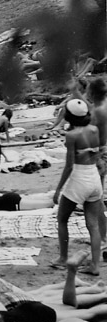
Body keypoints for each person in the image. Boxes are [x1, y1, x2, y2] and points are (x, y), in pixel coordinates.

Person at [52, 99, 105, 275]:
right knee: (93, 225)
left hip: (79, 178)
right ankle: (95, 265)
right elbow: (97, 153)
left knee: (62, 219)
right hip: (94, 178)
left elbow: (69, 166)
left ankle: (62, 257)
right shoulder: (94, 130)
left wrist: (59, 189)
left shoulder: (71, 136)